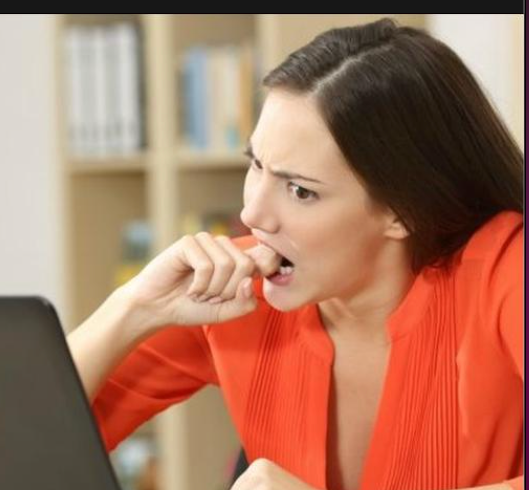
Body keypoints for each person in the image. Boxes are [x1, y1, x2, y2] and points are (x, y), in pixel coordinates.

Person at [68, 18, 524, 490]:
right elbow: (15, 441)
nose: (253, 213)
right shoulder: (236, 291)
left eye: (300, 190)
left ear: (402, 211)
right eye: (256, 165)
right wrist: (134, 308)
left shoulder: (504, 268)